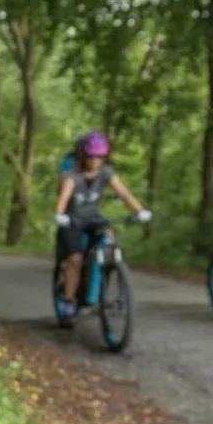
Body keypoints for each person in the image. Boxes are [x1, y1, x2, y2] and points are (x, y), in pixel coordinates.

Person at [53, 132, 151, 322]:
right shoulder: (72, 175)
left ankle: (108, 272)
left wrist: (140, 210)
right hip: (73, 222)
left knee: (109, 238)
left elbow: (124, 193)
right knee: (75, 259)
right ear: (83, 155)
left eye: (99, 157)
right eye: (91, 156)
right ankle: (68, 300)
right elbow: (63, 198)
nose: (95, 161)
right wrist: (59, 215)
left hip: (94, 220)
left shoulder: (106, 173)